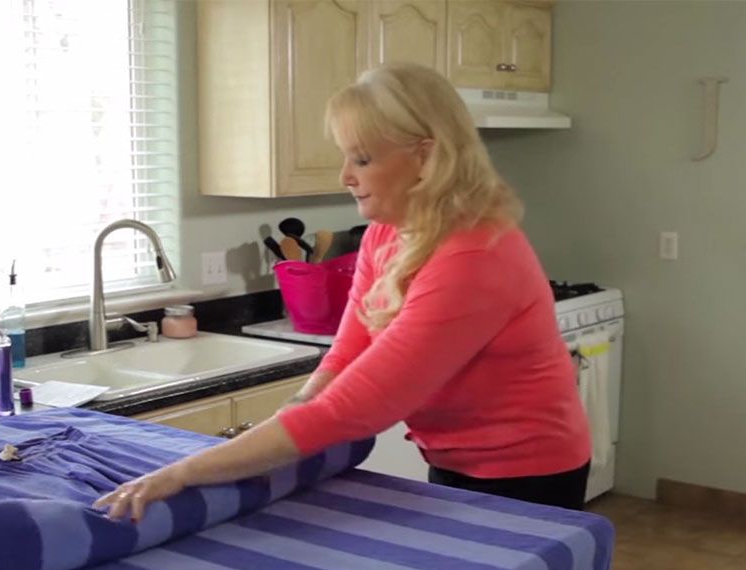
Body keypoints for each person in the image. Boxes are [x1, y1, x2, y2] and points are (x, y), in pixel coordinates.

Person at [95, 62, 591, 523]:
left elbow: (360, 405)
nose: (345, 176)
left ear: (425, 157)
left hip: (526, 472)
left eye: (362, 159)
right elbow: (348, 353)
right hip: (451, 456)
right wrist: (292, 411)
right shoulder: (387, 233)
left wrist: (184, 472)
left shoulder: (474, 255)